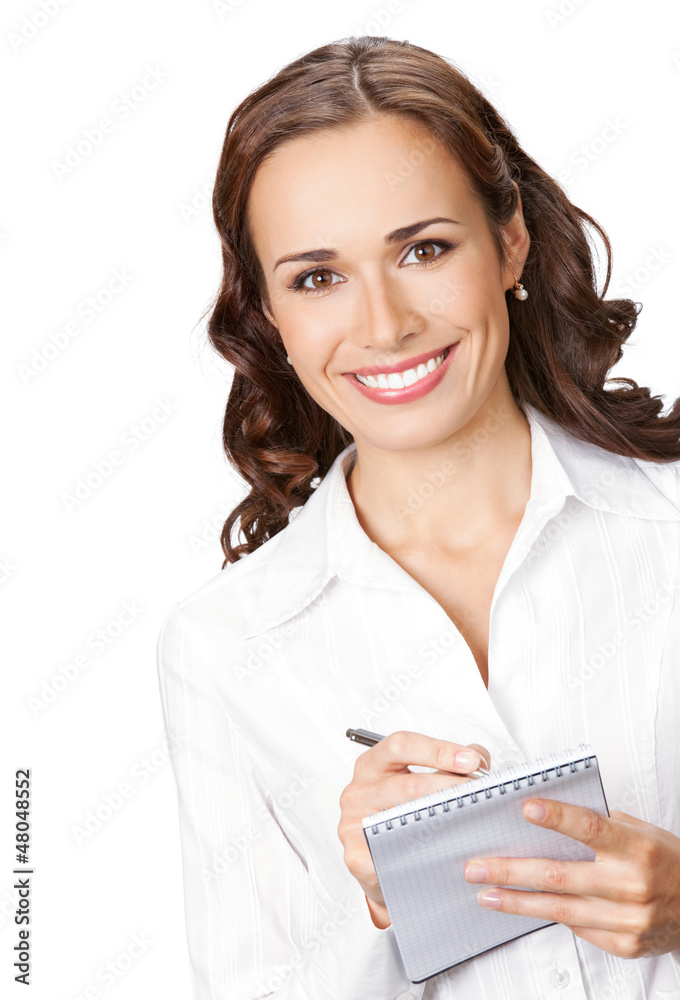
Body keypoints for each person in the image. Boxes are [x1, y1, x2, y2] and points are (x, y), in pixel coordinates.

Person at [156, 34, 680, 1000]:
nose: (386, 323)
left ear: (509, 241)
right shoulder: (227, 647)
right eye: (318, 276)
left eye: (424, 249)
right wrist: (374, 907)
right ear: (269, 310)